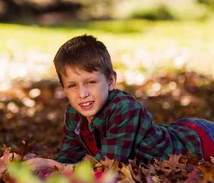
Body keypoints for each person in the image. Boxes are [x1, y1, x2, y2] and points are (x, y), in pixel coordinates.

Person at [29, 34, 214, 172]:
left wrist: (55, 166)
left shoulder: (125, 108)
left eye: (91, 82)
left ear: (110, 81)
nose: (82, 94)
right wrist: (44, 169)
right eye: (72, 86)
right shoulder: (73, 112)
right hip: (179, 130)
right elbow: (68, 156)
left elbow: (108, 165)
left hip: (199, 140)